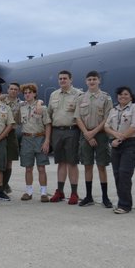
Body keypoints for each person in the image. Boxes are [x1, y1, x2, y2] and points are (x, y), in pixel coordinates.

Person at [74, 71, 114, 208]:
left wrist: (93, 133)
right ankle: (89, 196)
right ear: (86, 81)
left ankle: (105, 197)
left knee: (101, 166)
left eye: (94, 79)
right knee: (87, 166)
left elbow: (107, 118)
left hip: (101, 134)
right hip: (85, 134)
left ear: (99, 81)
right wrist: (87, 134)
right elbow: (78, 118)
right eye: (89, 79)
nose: (92, 82)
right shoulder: (80, 98)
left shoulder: (106, 98)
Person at [104, 87, 135, 214]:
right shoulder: (114, 110)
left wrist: (119, 138)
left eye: (126, 94)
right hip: (116, 144)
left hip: (130, 144)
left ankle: (125, 205)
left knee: (124, 174)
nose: (123, 96)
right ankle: (122, 202)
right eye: (120, 94)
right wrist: (115, 136)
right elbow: (106, 126)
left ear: (131, 97)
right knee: (117, 174)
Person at [48, 70, 82, 204]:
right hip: (57, 131)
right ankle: (60, 191)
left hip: (72, 131)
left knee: (72, 163)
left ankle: (74, 193)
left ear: (71, 80)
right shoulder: (54, 95)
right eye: (60, 78)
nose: (62, 81)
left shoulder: (78, 95)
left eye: (65, 78)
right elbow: (49, 114)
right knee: (61, 162)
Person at [18, 83, 51, 202]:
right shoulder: (21, 107)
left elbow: (47, 124)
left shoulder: (42, 108)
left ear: (35, 94)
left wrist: (47, 141)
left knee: (41, 167)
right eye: (25, 93)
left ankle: (43, 192)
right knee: (28, 168)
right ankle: (29, 191)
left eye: (29, 92)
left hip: (39, 138)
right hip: (26, 139)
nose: (27, 95)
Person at [1, 82, 22, 194]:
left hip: (11, 133)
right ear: (8, 90)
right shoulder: (1, 100)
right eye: (11, 89)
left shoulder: (20, 104)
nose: (13, 91)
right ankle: (3, 184)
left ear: (18, 92)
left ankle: (4, 185)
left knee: (9, 161)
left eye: (15, 89)